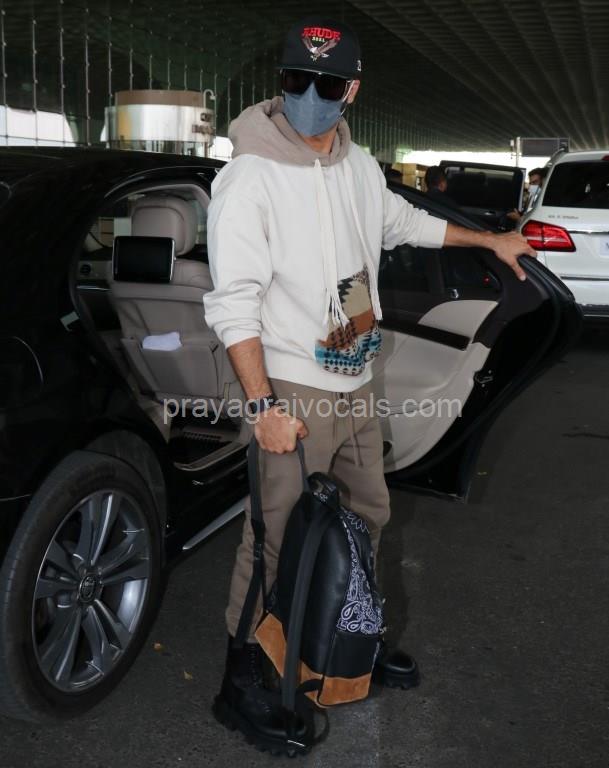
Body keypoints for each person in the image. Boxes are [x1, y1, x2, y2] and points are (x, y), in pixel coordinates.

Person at [203, 16, 536, 755]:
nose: (309, 98)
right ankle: (242, 677)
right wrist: (263, 407)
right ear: (281, 82)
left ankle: (346, 635)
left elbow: (403, 223)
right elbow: (232, 304)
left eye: (326, 85)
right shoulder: (250, 176)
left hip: (354, 371)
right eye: (296, 81)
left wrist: (488, 240)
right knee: (274, 533)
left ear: (350, 90)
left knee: (369, 512)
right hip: (292, 383)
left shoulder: (355, 165)